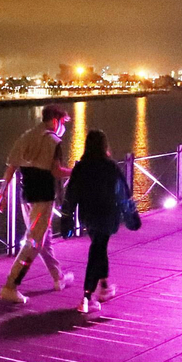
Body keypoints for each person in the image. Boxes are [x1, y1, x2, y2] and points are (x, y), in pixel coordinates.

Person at [0, 105, 74, 304]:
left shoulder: (26, 136)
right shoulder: (53, 141)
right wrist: (76, 171)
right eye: (63, 122)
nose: (63, 127)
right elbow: (56, 172)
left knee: (43, 239)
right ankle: (10, 285)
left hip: (26, 196)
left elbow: (11, 167)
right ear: (56, 120)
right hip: (43, 198)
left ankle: (58, 277)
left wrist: (3, 192)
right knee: (33, 242)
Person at [63, 129, 130, 314]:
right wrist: (129, 214)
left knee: (99, 248)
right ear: (104, 145)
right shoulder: (110, 166)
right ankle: (87, 297)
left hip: (88, 215)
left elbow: (71, 195)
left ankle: (104, 287)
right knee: (97, 250)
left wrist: (67, 217)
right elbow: (123, 190)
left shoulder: (80, 167)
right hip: (107, 214)